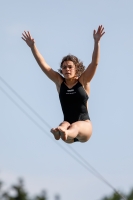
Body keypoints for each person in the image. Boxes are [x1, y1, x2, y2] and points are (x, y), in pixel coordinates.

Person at [22, 25, 105, 144]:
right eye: (64, 67)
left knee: (74, 126)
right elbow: (43, 65)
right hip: (68, 127)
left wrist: (97, 42)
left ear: (76, 69)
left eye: (70, 67)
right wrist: (32, 47)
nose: (67, 69)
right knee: (64, 124)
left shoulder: (83, 81)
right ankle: (60, 131)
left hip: (84, 126)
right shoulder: (59, 82)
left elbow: (94, 63)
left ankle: (63, 132)